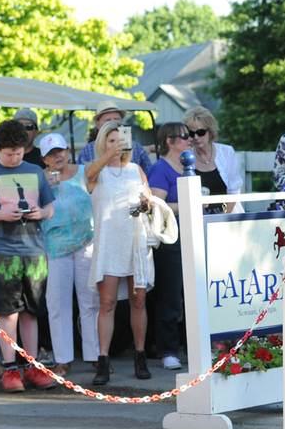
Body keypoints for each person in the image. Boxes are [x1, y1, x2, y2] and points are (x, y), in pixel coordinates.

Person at [0, 119, 56, 393]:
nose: (14, 158)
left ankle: (32, 366)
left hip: (35, 250)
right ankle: (10, 369)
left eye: (18, 153)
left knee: (31, 311)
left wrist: (42, 212)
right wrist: (0, 215)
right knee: (7, 312)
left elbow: (50, 208)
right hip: (2, 251)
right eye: (8, 154)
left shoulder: (36, 171)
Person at [86, 121, 153, 385]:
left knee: (139, 301)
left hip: (134, 240)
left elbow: (147, 201)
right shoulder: (97, 170)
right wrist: (109, 155)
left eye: (120, 140)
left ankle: (140, 355)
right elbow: (88, 176)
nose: (116, 144)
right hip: (108, 243)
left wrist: (146, 204)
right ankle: (103, 360)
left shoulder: (136, 169)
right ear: (102, 142)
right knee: (107, 303)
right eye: (111, 140)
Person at [41, 133, 99, 377]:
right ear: (44, 159)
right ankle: (63, 359)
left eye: (60, 151)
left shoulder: (85, 171)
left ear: (67, 151)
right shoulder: (40, 179)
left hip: (86, 241)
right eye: (51, 154)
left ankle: (96, 356)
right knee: (57, 303)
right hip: (55, 246)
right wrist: (42, 188)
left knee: (91, 301)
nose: (58, 156)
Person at [147, 122, 192, 370]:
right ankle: (168, 351)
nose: (190, 139)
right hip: (170, 238)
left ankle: (194, 347)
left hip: (192, 235)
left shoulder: (189, 165)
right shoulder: (159, 168)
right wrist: (191, 203)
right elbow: (157, 206)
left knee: (194, 294)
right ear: (169, 141)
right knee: (170, 296)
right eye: (184, 136)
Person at [183, 106, 242, 214]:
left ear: (210, 131)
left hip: (227, 214)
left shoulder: (226, 152)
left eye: (200, 132)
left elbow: (234, 190)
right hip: (198, 217)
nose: (196, 137)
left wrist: (223, 217)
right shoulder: (186, 157)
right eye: (191, 133)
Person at [77, 103, 152, 173]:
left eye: (116, 119)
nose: (113, 122)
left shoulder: (137, 148)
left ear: (122, 121)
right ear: (98, 124)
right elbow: (81, 178)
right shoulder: (87, 151)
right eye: (108, 120)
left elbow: (149, 176)